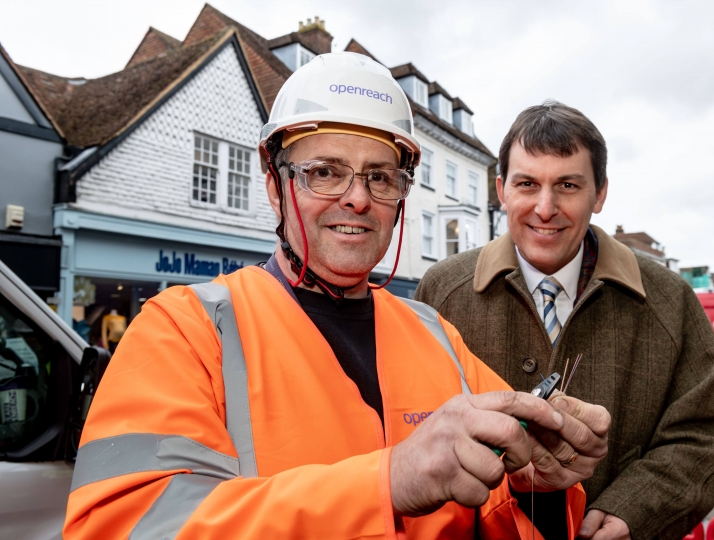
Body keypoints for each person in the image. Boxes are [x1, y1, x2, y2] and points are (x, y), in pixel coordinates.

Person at [63, 54, 611, 539]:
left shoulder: (436, 335)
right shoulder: (183, 329)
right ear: (275, 182)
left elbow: (495, 517)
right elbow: (124, 524)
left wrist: (538, 486)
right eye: (324, 172)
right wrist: (383, 483)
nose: (357, 198)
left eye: (380, 177)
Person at [415, 101, 714, 539]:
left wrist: (634, 510)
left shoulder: (670, 300)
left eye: (567, 185)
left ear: (600, 193)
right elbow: (410, 425)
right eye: (527, 183)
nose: (545, 208)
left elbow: (703, 439)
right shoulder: (441, 291)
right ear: (501, 189)